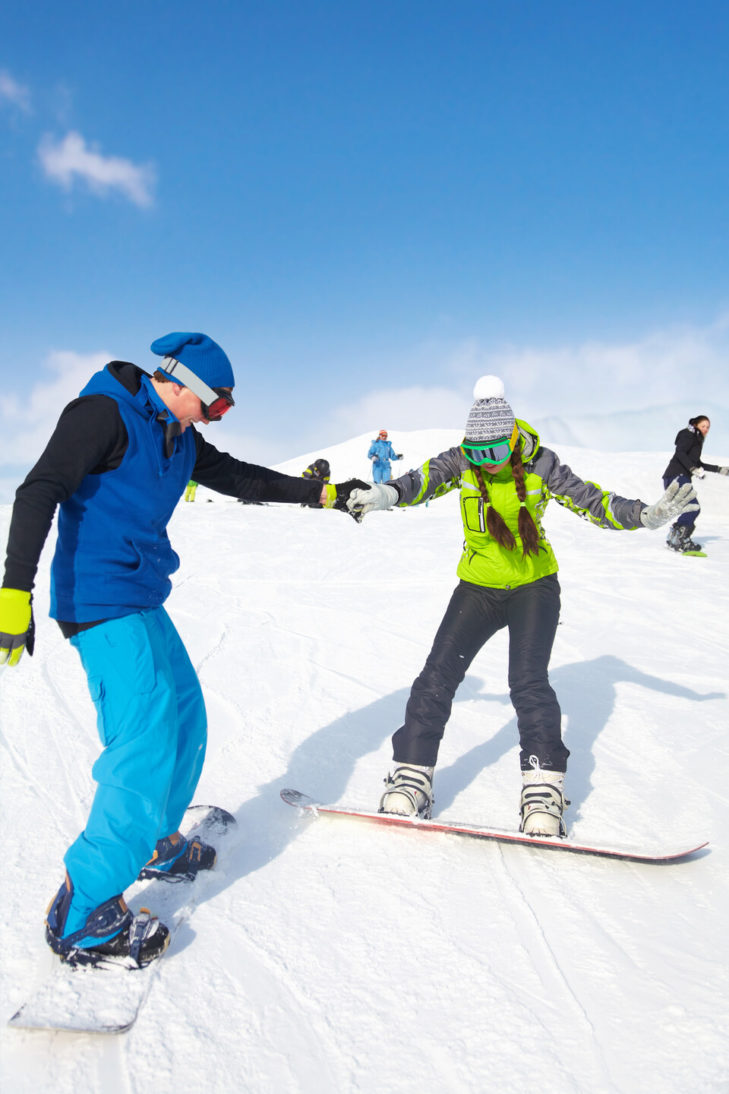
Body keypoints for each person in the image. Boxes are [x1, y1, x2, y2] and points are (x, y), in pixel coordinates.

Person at [0, 331, 364, 969]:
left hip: (140, 595)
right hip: (97, 600)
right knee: (141, 740)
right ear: (181, 386)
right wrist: (12, 594)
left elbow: (240, 477)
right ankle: (83, 908)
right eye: (216, 405)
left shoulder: (177, 435)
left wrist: (325, 495)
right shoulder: (103, 416)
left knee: (186, 715)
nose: (219, 416)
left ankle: (156, 841)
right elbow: (39, 490)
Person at [344, 377, 699, 837]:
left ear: (511, 442)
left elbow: (593, 500)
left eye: (491, 455)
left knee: (528, 684)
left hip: (534, 588)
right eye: (476, 455)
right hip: (477, 587)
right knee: (436, 677)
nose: (483, 465)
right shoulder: (464, 461)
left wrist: (643, 515)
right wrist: (386, 494)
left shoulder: (542, 465)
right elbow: (422, 480)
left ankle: (543, 788)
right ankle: (412, 773)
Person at [661, 415, 728, 554]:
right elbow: (680, 453)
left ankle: (675, 538)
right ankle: (680, 540)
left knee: (690, 508)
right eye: (703, 426)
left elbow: (697, 463)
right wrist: (692, 469)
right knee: (693, 508)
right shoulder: (688, 434)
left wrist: (719, 469)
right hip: (677, 476)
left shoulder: (696, 440)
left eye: (708, 427)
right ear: (695, 425)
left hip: (676, 477)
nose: (706, 429)